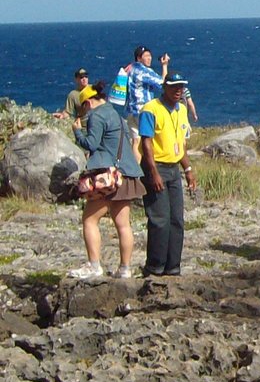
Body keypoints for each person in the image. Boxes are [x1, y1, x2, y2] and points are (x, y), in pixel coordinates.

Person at [67, 80, 146, 280]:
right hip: (127, 174)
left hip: (107, 177)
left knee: (90, 219)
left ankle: (94, 265)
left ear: (88, 103)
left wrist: (77, 132)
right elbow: (127, 140)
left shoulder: (96, 116)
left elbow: (91, 144)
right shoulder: (117, 117)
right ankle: (125, 268)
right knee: (123, 224)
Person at [139, 72, 195, 276]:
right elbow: (146, 143)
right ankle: (155, 265)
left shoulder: (181, 110)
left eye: (181, 87)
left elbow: (181, 143)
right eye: (174, 87)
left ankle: (173, 266)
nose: (178, 90)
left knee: (176, 219)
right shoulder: (150, 109)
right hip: (157, 167)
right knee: (159, 219)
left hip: (174, 168)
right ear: (165, 87)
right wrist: (153, 173)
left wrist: (188, 169)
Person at [124, 45, 169, 148]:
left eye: (150, 55)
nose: (150, 58)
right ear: (139, 58)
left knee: (135, 142)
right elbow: (163, 84)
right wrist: (164, 65)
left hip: (131, 110)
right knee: (148, 140)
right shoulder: (144, 71)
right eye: (146, 56)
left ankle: (135, 164)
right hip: (143, 110)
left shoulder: (129, 68)